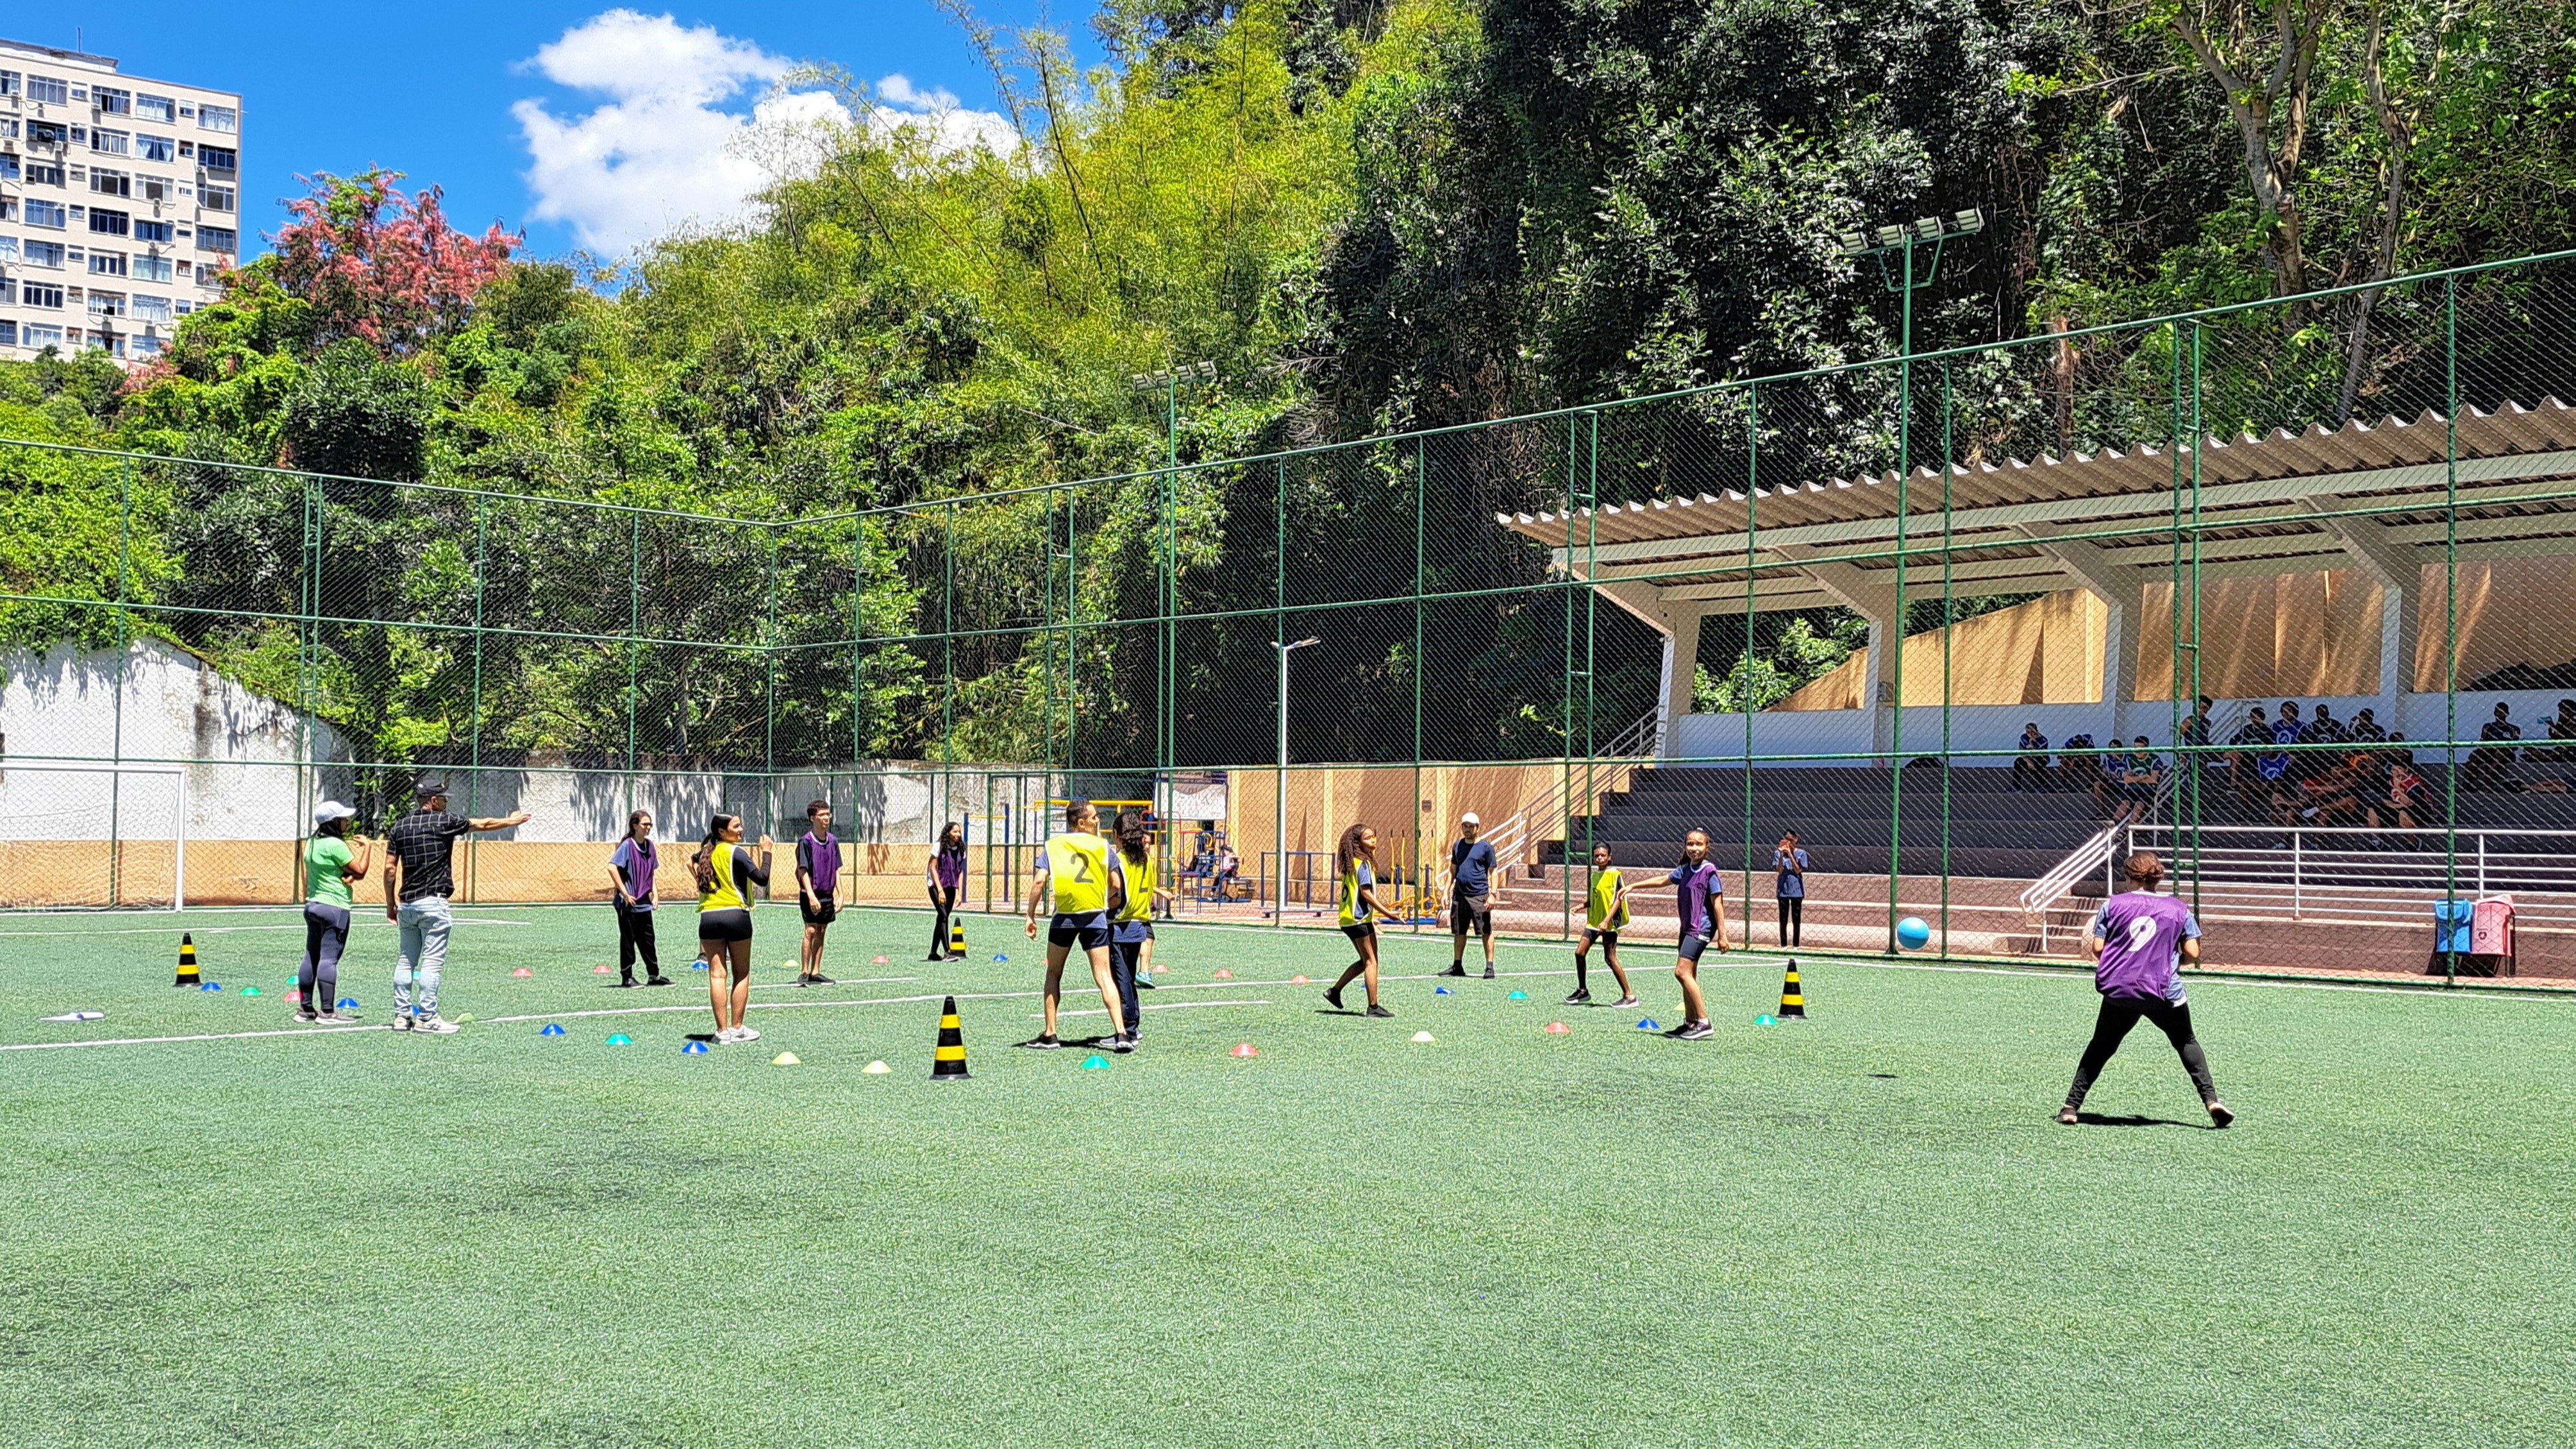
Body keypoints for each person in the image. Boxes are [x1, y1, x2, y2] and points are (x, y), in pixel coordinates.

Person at [2057, 852, 2231, 1128]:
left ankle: (2070, 1107)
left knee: (2101, 1046)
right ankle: (2212, 1101)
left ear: (2128, 876)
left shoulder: (2113, 905)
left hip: (2122, 991)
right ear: (2157, 879)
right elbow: (2193, 952)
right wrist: (2172, 961)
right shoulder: (2178, 909)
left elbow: (2098, 949)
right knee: (2186, 1041)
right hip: (2163, 992)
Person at [383, 779, 533, 1035]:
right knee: (431, 962)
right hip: (433, 902)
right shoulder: (444, 821)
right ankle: (427, 1018)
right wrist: (512, 821)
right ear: (432, 801)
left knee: (406, 960)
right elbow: (482, 824)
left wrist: (391, 904)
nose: (446, 801)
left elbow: (389, 870)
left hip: (407, 904)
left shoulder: (400, 827)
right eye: (443, 798)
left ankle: (401, 1015)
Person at [1021, 800, 1133, 1051]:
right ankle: (1122, 1034)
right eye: (1093, 817)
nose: (1097, 821)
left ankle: (1051, 1035)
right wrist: (1103, 899)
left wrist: (1031, 915)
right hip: (1095, 916)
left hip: (1065, 917)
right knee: (1104, 976)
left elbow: (1039, 881)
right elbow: (1116, 883)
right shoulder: (1103, 847)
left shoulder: (1053, 846)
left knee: (1053, 973)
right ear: (1080, 822)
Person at [692, 813, 774, 1044]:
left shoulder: (707, 853)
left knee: (717, 974)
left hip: (708, 917)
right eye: (736, 826)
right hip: (736, 916)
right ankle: (737, 1027)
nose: (741, 829)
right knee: (742, 972)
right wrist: (767, 852)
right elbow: (762, 878)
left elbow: (692, 862)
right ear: (722, 832)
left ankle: (722, 1031)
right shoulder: (735, 852)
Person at [298, 801, 371, 1025]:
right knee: (329, 959)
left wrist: (349, 876)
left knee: (311, 955)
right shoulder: (336, 845)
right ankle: (328, 1012)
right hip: (335, 907)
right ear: (333, 823)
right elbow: (360, 869)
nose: (347, 822)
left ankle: (306, 1009)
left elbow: (339, 871)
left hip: (313, 905)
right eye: (343, 819)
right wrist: (368, 847)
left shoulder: (312, 844)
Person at [1108, 811, 1175, 1041]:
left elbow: (1116, 894)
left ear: (1118, 836)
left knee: (1122, 979)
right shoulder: (1147, 860)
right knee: (1127, 977)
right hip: (1140, 925)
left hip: (1119, 925)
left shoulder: (1119, 861)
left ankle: (1128, 1029)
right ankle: (1134, 1025)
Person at [1323, 823, 1401, 1018]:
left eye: (1374, 836)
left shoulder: (1354, 863)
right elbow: (1366, 895)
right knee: (1371, 962)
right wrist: (1388, 914)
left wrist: (1372, 918)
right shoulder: (1362, 864)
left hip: (1350, 919)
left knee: (1365, 960)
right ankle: (1373, 1007)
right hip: (1358, 920)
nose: (1373, 840)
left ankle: (1335, 991)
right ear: (1358, 843)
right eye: (1368, 838)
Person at [1664, 829, 1727, 1041]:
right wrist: (1633, 886)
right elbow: (1664, 880)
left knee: (1681, 972)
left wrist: (1722, 935)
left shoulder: (1709, 872)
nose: (1694, 848)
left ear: (1707, 847)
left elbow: (1718, 904)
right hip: (1687, 928)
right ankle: (1690, 1022)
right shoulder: (1685, 870)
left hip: (1701, 929)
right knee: (1688, 975)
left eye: (1699, 845)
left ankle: (1703, 1021)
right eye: (1690, 844)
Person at [605, 809, 671, 988]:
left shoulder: (650, 846)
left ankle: (654, 975)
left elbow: (651, 873)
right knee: (628, 940)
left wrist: (655, 893)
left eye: (650, 825)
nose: (648, 828)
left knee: (648, 940)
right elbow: (612, 867)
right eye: (645, 824)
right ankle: (627, 977)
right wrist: (625, 892)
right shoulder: (627, 845)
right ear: (635, 826)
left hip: (644, 903)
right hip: (628, 904)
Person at [1566, 843, 1638, 1006]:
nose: (1600, 858)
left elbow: (1618, 900)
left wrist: (1607, 920)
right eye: (1597, 855)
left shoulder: (1615, 875)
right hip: (1594, 923)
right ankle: (1583, 990)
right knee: (1579, 953)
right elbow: (1594, 899)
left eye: (1603, 855)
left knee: (1610, 958)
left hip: (1609, 924)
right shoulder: (1594, 876)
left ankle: (1630, 996)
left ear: (1609, 857)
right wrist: (1582, 905)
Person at [1442, 811, 1499, 979]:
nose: (1467, 829)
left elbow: (1493, 871)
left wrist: (1492, 894)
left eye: (1470, 826)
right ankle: (1457, 966)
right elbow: (1453, 870)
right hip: (1460, 896)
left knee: (1486, 931)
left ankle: (1489, 967)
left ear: (1477, 828)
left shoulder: (1486, 848)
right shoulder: (1457, 846)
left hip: (1479, 896)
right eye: (1464, 826)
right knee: (1459, 931)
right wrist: (1446, 891)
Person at [793, 800, 841, 987]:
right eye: (822, 815)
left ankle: (816, 971)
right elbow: (802, 870)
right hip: (810, 893)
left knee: (822, 930)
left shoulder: (833, 841)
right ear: (813, 818)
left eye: (828, 814)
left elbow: (837, 869)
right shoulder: (806, 842)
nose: (826, 818)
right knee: (811, 930)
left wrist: (841, 894)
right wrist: (811, 895)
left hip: (827, 894)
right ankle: (804, 971)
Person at [926, 821, 967, 961]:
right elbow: (932, 868)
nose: (958, 834)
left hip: (950, 887)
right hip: (936, 887)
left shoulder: (961, 849)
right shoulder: (939, 847)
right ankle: (947, 952)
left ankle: (932, 953)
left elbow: (960, 872)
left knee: (942, 918)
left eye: (959, 832)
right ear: (948, 832)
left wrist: (960, 893)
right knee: (943, 915)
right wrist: (940, 890)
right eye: (955, 831)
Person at [2463, 701, 2522, 792]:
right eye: (2498, 711)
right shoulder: (2488, 727)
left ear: (2507, 714)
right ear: (2494, 713)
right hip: (2488, 751)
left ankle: (2486, 786)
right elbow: (2482, 742)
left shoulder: (2514, 729)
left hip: (2505, 753)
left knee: (2498, 757)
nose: (2500, 714)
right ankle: (2466, 785)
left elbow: (2514, 746)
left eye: (2502, 712)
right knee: (2474, 757)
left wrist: (2500, 748)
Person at [1773, 831, 1809, 947]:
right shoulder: (1778, 854)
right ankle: (1783, 943)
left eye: (1791, 840)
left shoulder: (1802, 854)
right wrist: (1783, 855)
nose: (1788, 843)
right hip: (1783, 890)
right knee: (1783, 919)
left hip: (1796, 890)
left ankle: (1796, 944)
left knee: (1796, 919)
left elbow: (1798, 870)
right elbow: (1779, 871)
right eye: (1786, 840)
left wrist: (1791, 855)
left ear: (1796, 839)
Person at [2010, 723, 2052, 792]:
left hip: (2040, 758)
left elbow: (2038, 754)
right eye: (2028, 732)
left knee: (2039, 764)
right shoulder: (2023, 738)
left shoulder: (2043, 740)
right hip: (2028, 758)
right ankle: (2016, 786)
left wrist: (2032, 743)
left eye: (2032, 732)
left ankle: (2040, 786)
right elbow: (2022, 752)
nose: (2030, 734)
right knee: (2018, 762)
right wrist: (2028, 761)